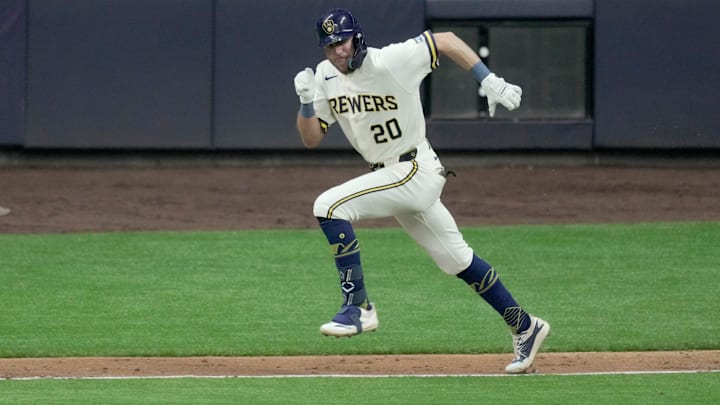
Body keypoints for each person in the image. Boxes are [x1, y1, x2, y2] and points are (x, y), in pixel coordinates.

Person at [293, 8, 549, 374]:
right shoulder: (324, 76)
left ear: (358, 37)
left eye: (343, 41)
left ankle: (359, 307)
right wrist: (305, 103)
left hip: (414, 167)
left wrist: (488, 79)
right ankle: (525, 326)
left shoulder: (391, 62)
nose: (338, 51)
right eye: (330, 45)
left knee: (329, 206)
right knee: (456, 260)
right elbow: (311, 138)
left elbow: (444, 41)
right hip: (392, 175)